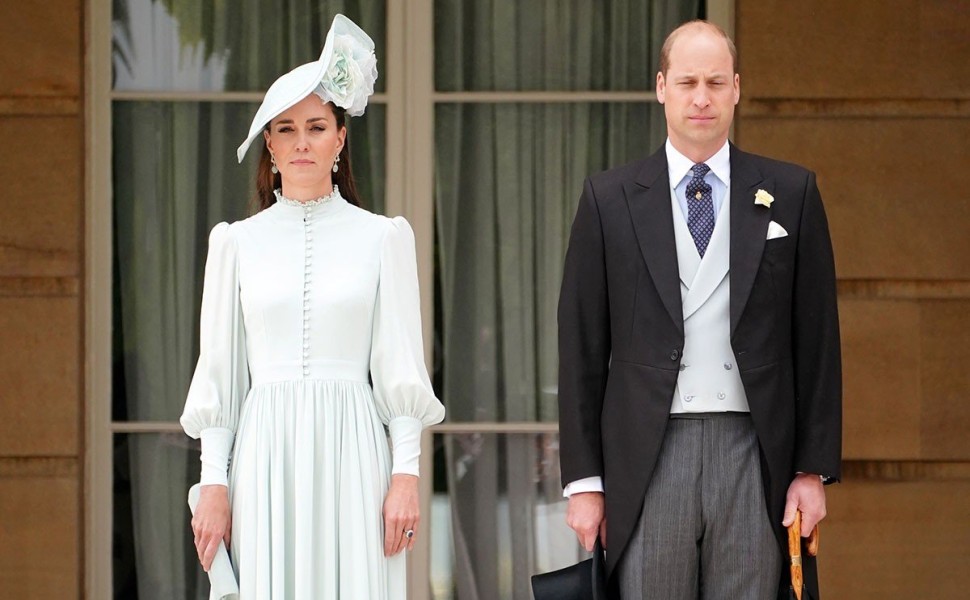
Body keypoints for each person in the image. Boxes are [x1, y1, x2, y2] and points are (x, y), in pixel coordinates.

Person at [557, 20, 841, 599]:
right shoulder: (608, 199)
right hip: (649, 452)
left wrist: (811, 470)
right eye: (687, 82)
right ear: (661, 87)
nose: (702, 97)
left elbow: (816, 343)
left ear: (737, 87)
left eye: (716, 81)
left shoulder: (791, 192)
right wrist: (584, 482)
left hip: (754, 449)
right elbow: (581, 347)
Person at [180, 14, 445, 599]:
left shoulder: (384, 238)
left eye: (317, 126)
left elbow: (400, 366)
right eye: (287, 128)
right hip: (263, 455)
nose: (302, 141)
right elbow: (220, 375)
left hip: (355, 453)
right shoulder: (235, 243)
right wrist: (213, 482)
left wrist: (406, 473)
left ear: (340, 138)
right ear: (269, 145)